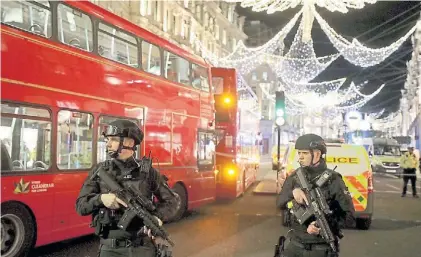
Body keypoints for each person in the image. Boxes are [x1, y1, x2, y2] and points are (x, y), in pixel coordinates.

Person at [76, 119, 180, 257]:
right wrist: (101, 199)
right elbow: (81, 206)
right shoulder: (100, 170)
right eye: (107, 139)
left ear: (129, 142)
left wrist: (157, 218)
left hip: (142, 248)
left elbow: (173, 201)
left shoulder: (148, 172)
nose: (108, 143)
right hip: (110, 249)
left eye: (113, 139)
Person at [276, 134, 355, 257]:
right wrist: (293, 193)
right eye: (299, 153)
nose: (300, 157)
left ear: (317, 154)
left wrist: (321, 224)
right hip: (294, 245)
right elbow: (280, 202)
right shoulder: (295, 177)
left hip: (320, 248)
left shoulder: (333, 180)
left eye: (305, 153)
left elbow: (349, 217)